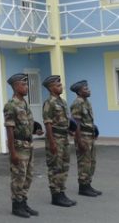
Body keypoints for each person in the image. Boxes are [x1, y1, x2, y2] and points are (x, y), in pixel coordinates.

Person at [3, 73, 43, 219]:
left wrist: (35, 130)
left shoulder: (25, 103)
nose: (26, 87)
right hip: (19, 145)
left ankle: (24, 201)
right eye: (23, 84)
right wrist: (12, 151)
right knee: (18, 176)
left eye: (26, 84)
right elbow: (10, 129)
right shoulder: (11, 105)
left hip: (29, 144)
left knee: (28, 176)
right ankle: (17, 205)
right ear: (15, 86)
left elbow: (25, 125)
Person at [41, 75, 76, 207]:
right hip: (55, 138)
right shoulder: (49, 103)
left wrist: (70, 131)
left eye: (60, 85)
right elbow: (48, 123)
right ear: (51, 88)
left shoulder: (62, 102)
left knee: (64, 166)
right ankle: (55, 195)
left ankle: (62, 192)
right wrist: (52, 142)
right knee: (55, 166)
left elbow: (64, 120)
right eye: (58, 85)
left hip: (64, 137)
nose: (61, 87)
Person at [70, 80, 102, 197]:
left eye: (88, 88)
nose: (89, 90)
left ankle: (88, 184)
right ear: (79, 92)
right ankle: (83, 187)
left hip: (90, 135)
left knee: (91, 162)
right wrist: (79, 141)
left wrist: (94, 129)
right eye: (85, 89)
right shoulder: (77, 103)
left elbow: (87, 120)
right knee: (84, 162)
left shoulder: (86, 102)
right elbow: (76, 123)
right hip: (83, 136)